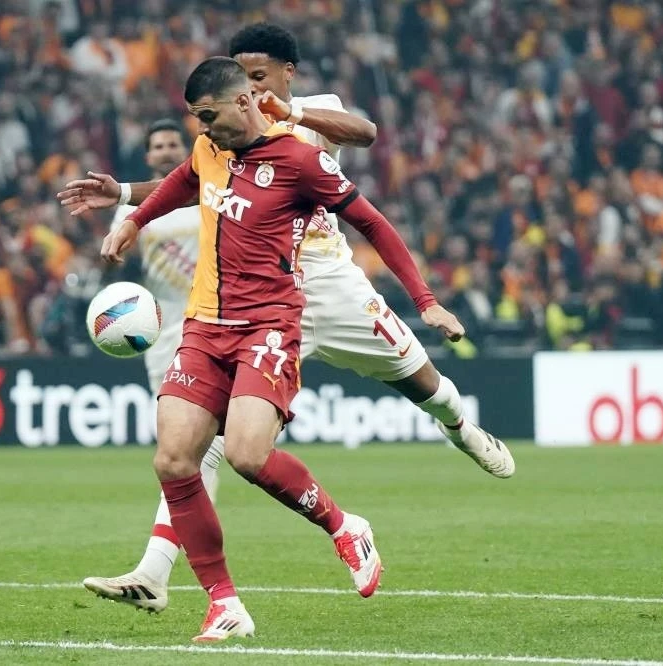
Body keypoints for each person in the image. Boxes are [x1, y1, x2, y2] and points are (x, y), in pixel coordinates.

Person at [60, 24, 514, 617]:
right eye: (241, 75)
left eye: (259, 75)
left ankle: (461, 428)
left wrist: (290, 112)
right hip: (261, 304)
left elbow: (366, 134)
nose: (250, 85)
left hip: (331, 285)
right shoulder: (221, 135)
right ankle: (156, 571)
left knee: (419, 379)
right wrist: (126, 199)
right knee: (205, 446)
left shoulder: (310, 116)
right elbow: (196, 180)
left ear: (285, 73)